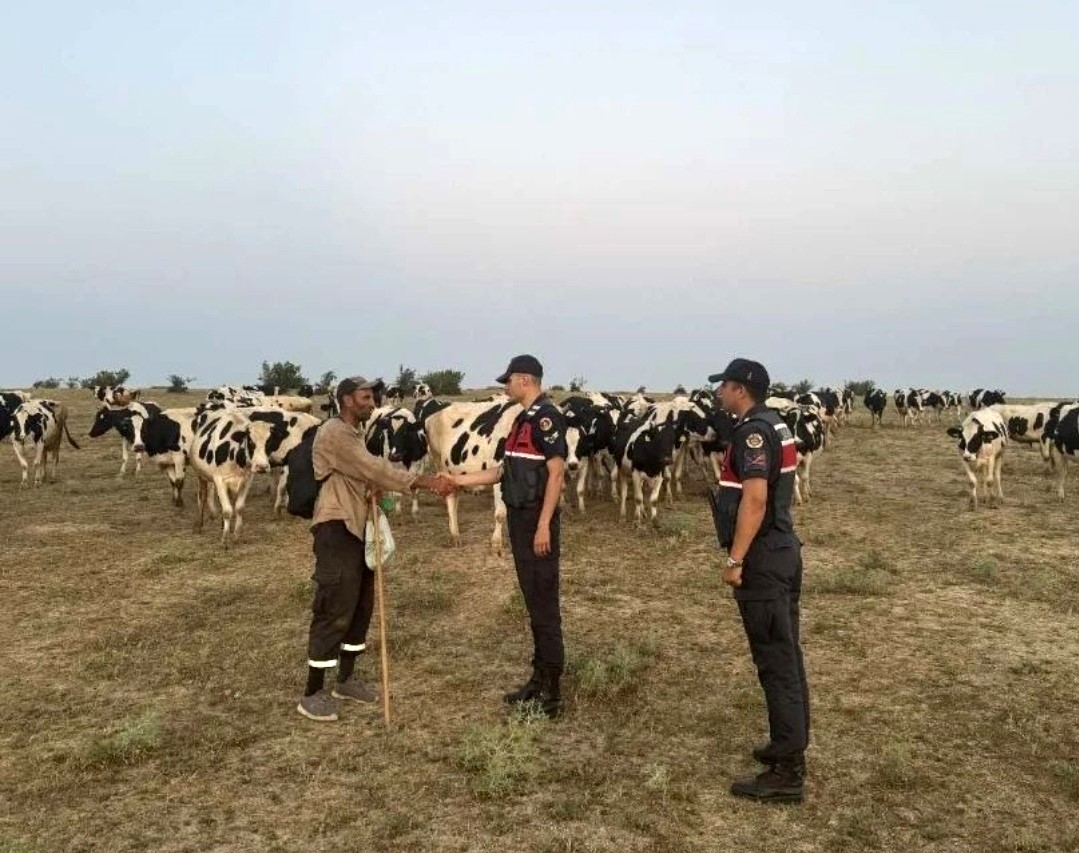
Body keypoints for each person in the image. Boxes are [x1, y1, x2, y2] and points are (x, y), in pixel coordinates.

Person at [298, 375, 454, 722]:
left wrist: (374, 490)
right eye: (365, 397)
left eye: (372, 397)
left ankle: (346, 680)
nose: (372, 403)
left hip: (359, 525)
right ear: (346, 399)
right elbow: (372, 467)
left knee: (360, 605)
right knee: (335, 605)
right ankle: (312, 692)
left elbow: (364, 475)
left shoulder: (355, 433)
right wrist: (424, 480)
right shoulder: (335, 432)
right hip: (337, 526)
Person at [708, 358, 811, 803]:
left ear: (741, 389)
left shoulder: (753, 432)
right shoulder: (776, 424)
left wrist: (736, 559)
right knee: (786, 656)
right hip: (782, 550)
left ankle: (787, 770)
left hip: (763, 558)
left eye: (724, 386)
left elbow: (754, 500)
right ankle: (788, 747)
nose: (719, 393)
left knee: (775, 660)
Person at [446, 355, 567, 717]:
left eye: (509, 381)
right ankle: (538, 679)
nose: (505, 387)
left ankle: (552, 692)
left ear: (525, 379)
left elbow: (557, 474)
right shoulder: (520, 420)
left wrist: (544, 524)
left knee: (544, 607)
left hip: (535, 523)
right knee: (533, 602)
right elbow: (502, 471)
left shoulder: (547, 418)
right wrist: (457, 480)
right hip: (519, 519)